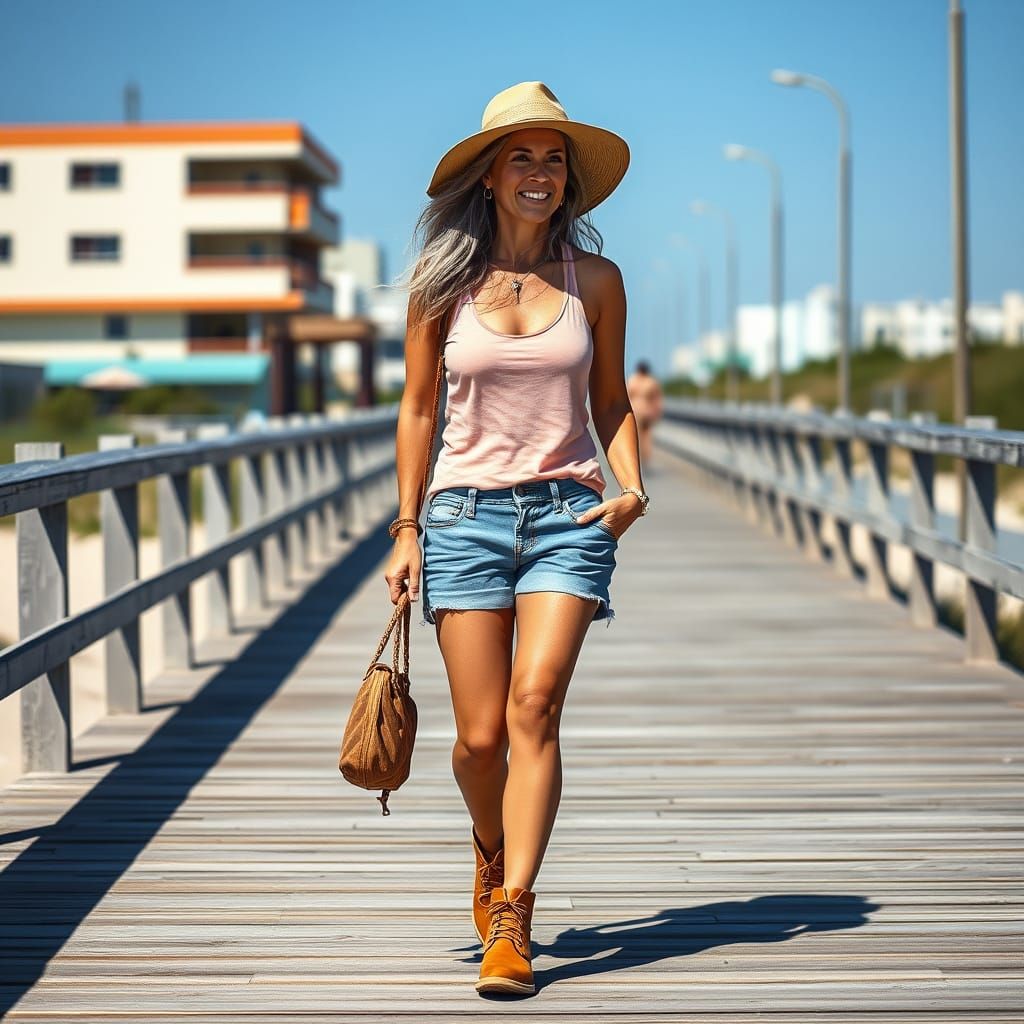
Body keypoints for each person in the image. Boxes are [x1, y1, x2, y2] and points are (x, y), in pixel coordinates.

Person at [385, 81, 650, 996]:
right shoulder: (441, 286)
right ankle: (488, 849)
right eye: (521, 157)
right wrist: (407, 527)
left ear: (568, 180)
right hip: (461, 517)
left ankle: (514, 916)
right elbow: (418, 408)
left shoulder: (598, 282)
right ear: (490, 176)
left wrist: (631, 485)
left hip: (568, 517)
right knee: (478, 740)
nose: (539, 174)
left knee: (537, 707)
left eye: (553, 158)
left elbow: (610, 399)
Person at [626, 359, 663, 466]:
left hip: (635, 411)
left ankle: (635, 460)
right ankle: (646, 458)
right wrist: (657, 412)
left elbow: (626, 395)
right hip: (647, 411)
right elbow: (657, 399)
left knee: (635, 436)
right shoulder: (651, 382)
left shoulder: (633, 380)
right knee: (646, 436)